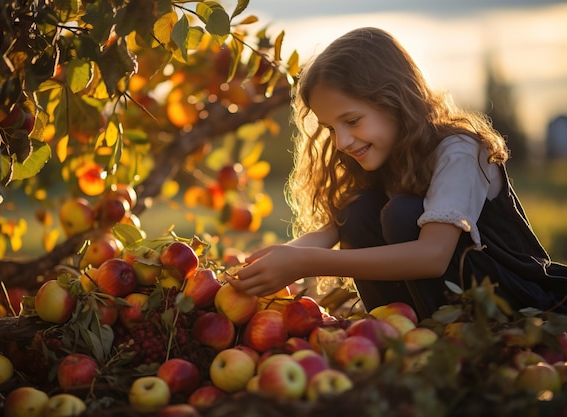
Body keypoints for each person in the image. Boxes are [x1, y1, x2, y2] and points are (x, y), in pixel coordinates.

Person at [225, 27, 567, 319]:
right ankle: (393, 331)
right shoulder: (385, 155)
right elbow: (329, 233)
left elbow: (432, 256)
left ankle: (441, 337)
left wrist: (306, 264)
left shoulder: (459, 150)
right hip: (439, 314)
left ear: (394, 99)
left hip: (513, 302)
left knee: (403, 213)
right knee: (357, 210)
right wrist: (262, 267)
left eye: (352, 121)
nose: (341, 141)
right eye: (330, 128)